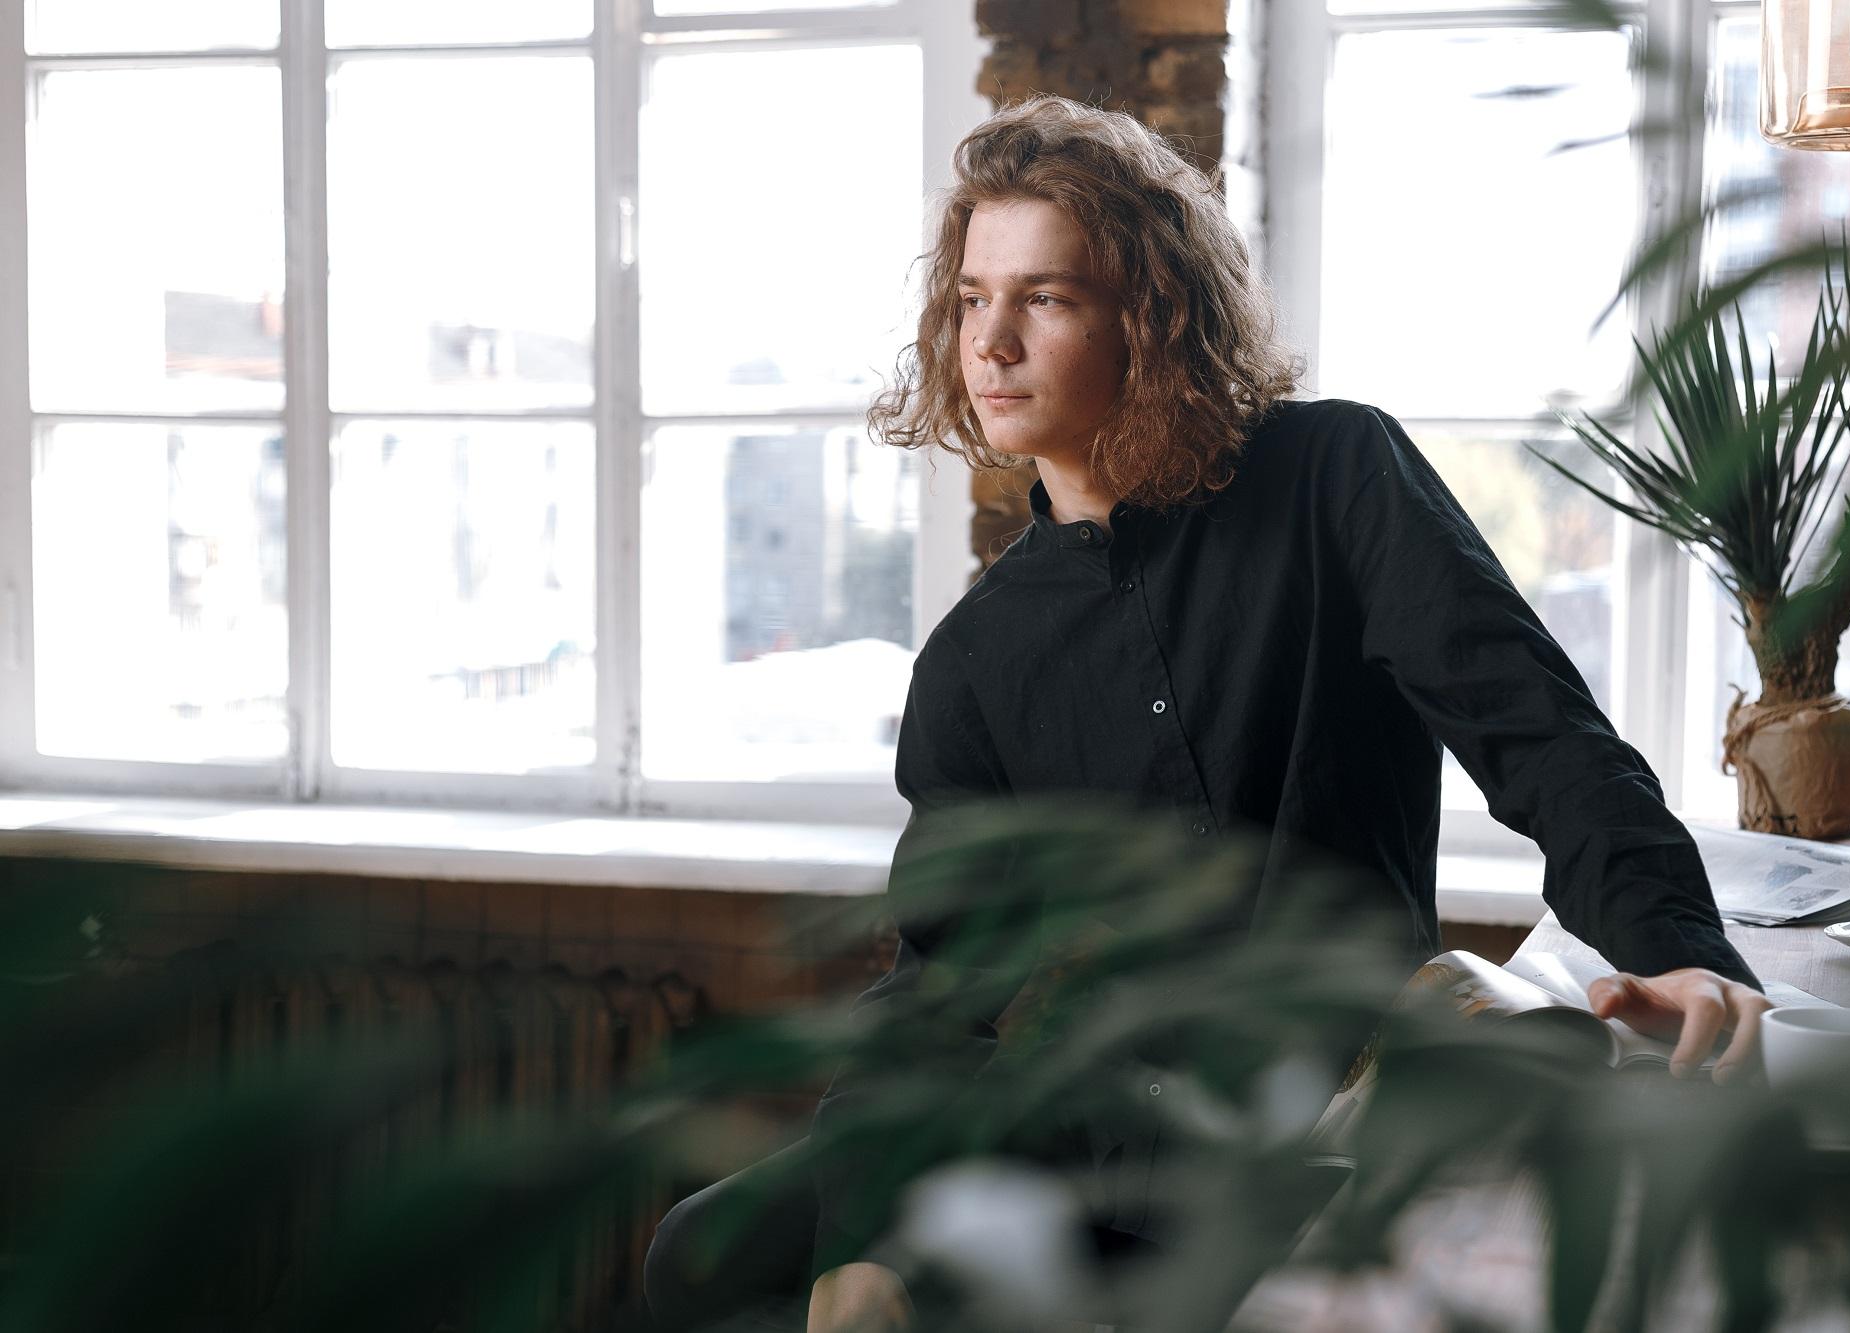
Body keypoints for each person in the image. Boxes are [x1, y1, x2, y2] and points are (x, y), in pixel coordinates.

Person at [645, 95, 1772, 1333]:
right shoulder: (974, 658)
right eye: (971, 299)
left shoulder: (1335, 476)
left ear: (1151, 313)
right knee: (699, 1251)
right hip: (1077, 1112)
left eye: (1044, 298)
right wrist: (862, 1246)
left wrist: (1674, 944)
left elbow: (1539, 734)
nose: (991, 344)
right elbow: (938, 991)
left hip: (1325, 1100)